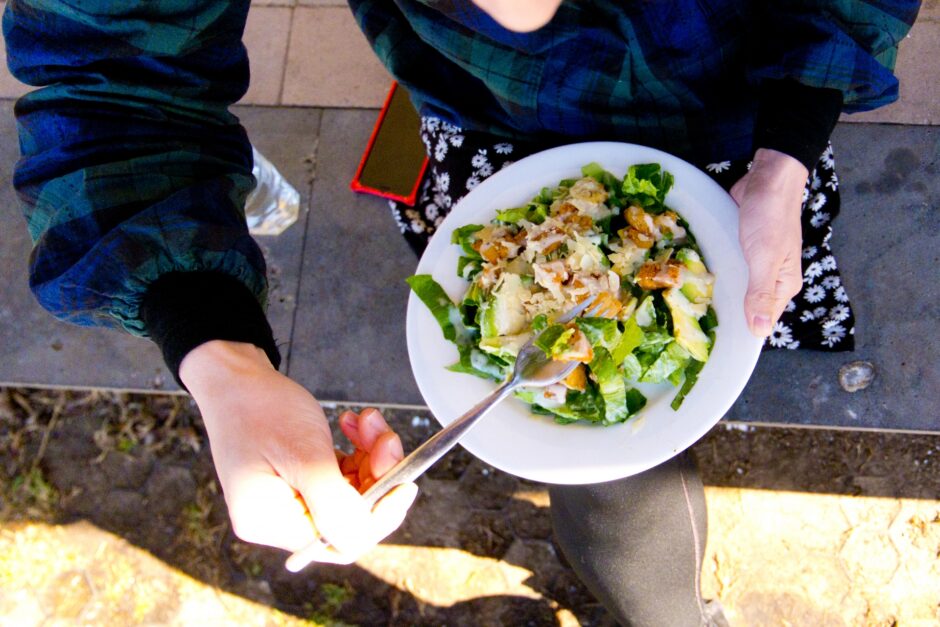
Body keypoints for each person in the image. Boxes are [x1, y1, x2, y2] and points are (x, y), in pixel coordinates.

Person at [3, 1, 919, 624]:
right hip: (485, 141)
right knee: (606, 470)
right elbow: (110, 81)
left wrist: (787, 156)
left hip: (755, 132)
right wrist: (218, 355)